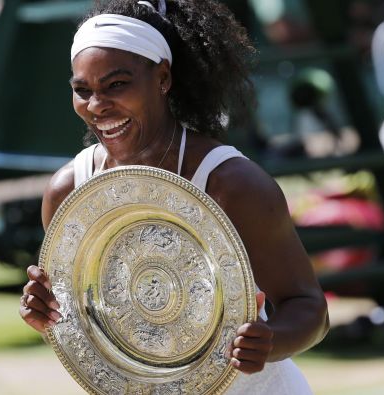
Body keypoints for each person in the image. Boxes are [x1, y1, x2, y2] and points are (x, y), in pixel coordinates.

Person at [19, 0, 329, 393]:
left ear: (163, 78)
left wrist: (271, 341)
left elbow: (310, 309)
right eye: (83, 90)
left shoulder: (234, 185)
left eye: (117, 85)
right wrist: (46, 310)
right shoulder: (68, 192)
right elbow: (92, 330)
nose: (97, 106)